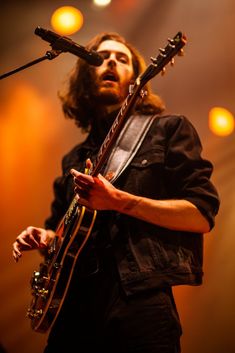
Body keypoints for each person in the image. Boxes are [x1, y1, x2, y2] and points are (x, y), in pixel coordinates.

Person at [12, 32, 220, 353]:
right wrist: (46, 238)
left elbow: (201, 216)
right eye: (102, 56)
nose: (110, 61)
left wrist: (118, 201)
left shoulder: (167, 131)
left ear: (136, 81)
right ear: (84, 77)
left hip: (139, 299)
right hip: (74, 305)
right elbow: (62, 235)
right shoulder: (73, 159)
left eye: (122, 59)